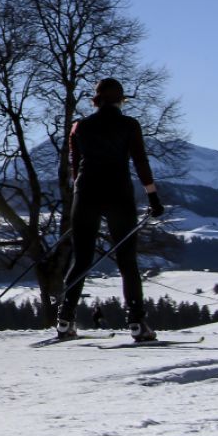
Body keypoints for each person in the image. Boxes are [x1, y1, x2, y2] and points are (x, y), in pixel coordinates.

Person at [56, 78, 166, 343]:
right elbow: (140, 161)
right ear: (120, 100)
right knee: (127, 261)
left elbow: (75, 165)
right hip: (118, 194)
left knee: (81, 260)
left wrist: (80, 197)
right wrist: (153, 197)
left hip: (86, 194)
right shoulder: (129, 125)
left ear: (96, 100)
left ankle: (65, 320)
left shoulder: (79, 126)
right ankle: (137, 323)